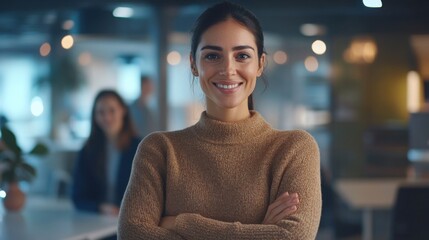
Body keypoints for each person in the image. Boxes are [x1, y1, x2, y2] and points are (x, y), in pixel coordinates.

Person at [118, 2, 321, 239]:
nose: (228, 68)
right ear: (194, 64)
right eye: (213, 56)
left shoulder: (294, 149)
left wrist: (184, 224)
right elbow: (132, 233)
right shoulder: (159, 150)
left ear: (260, 64)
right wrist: (259, 231)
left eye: (242, 55)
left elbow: (293, 237)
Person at [71, 89, 140, 216]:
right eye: (101, 112)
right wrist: (100, 208)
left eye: (112, 111)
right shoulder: (87, 151)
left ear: (123, 111)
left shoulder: (140, 148)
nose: (107, 117)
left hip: (132, 221)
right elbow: (78, 197)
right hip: (98, 221)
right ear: (95, 116)